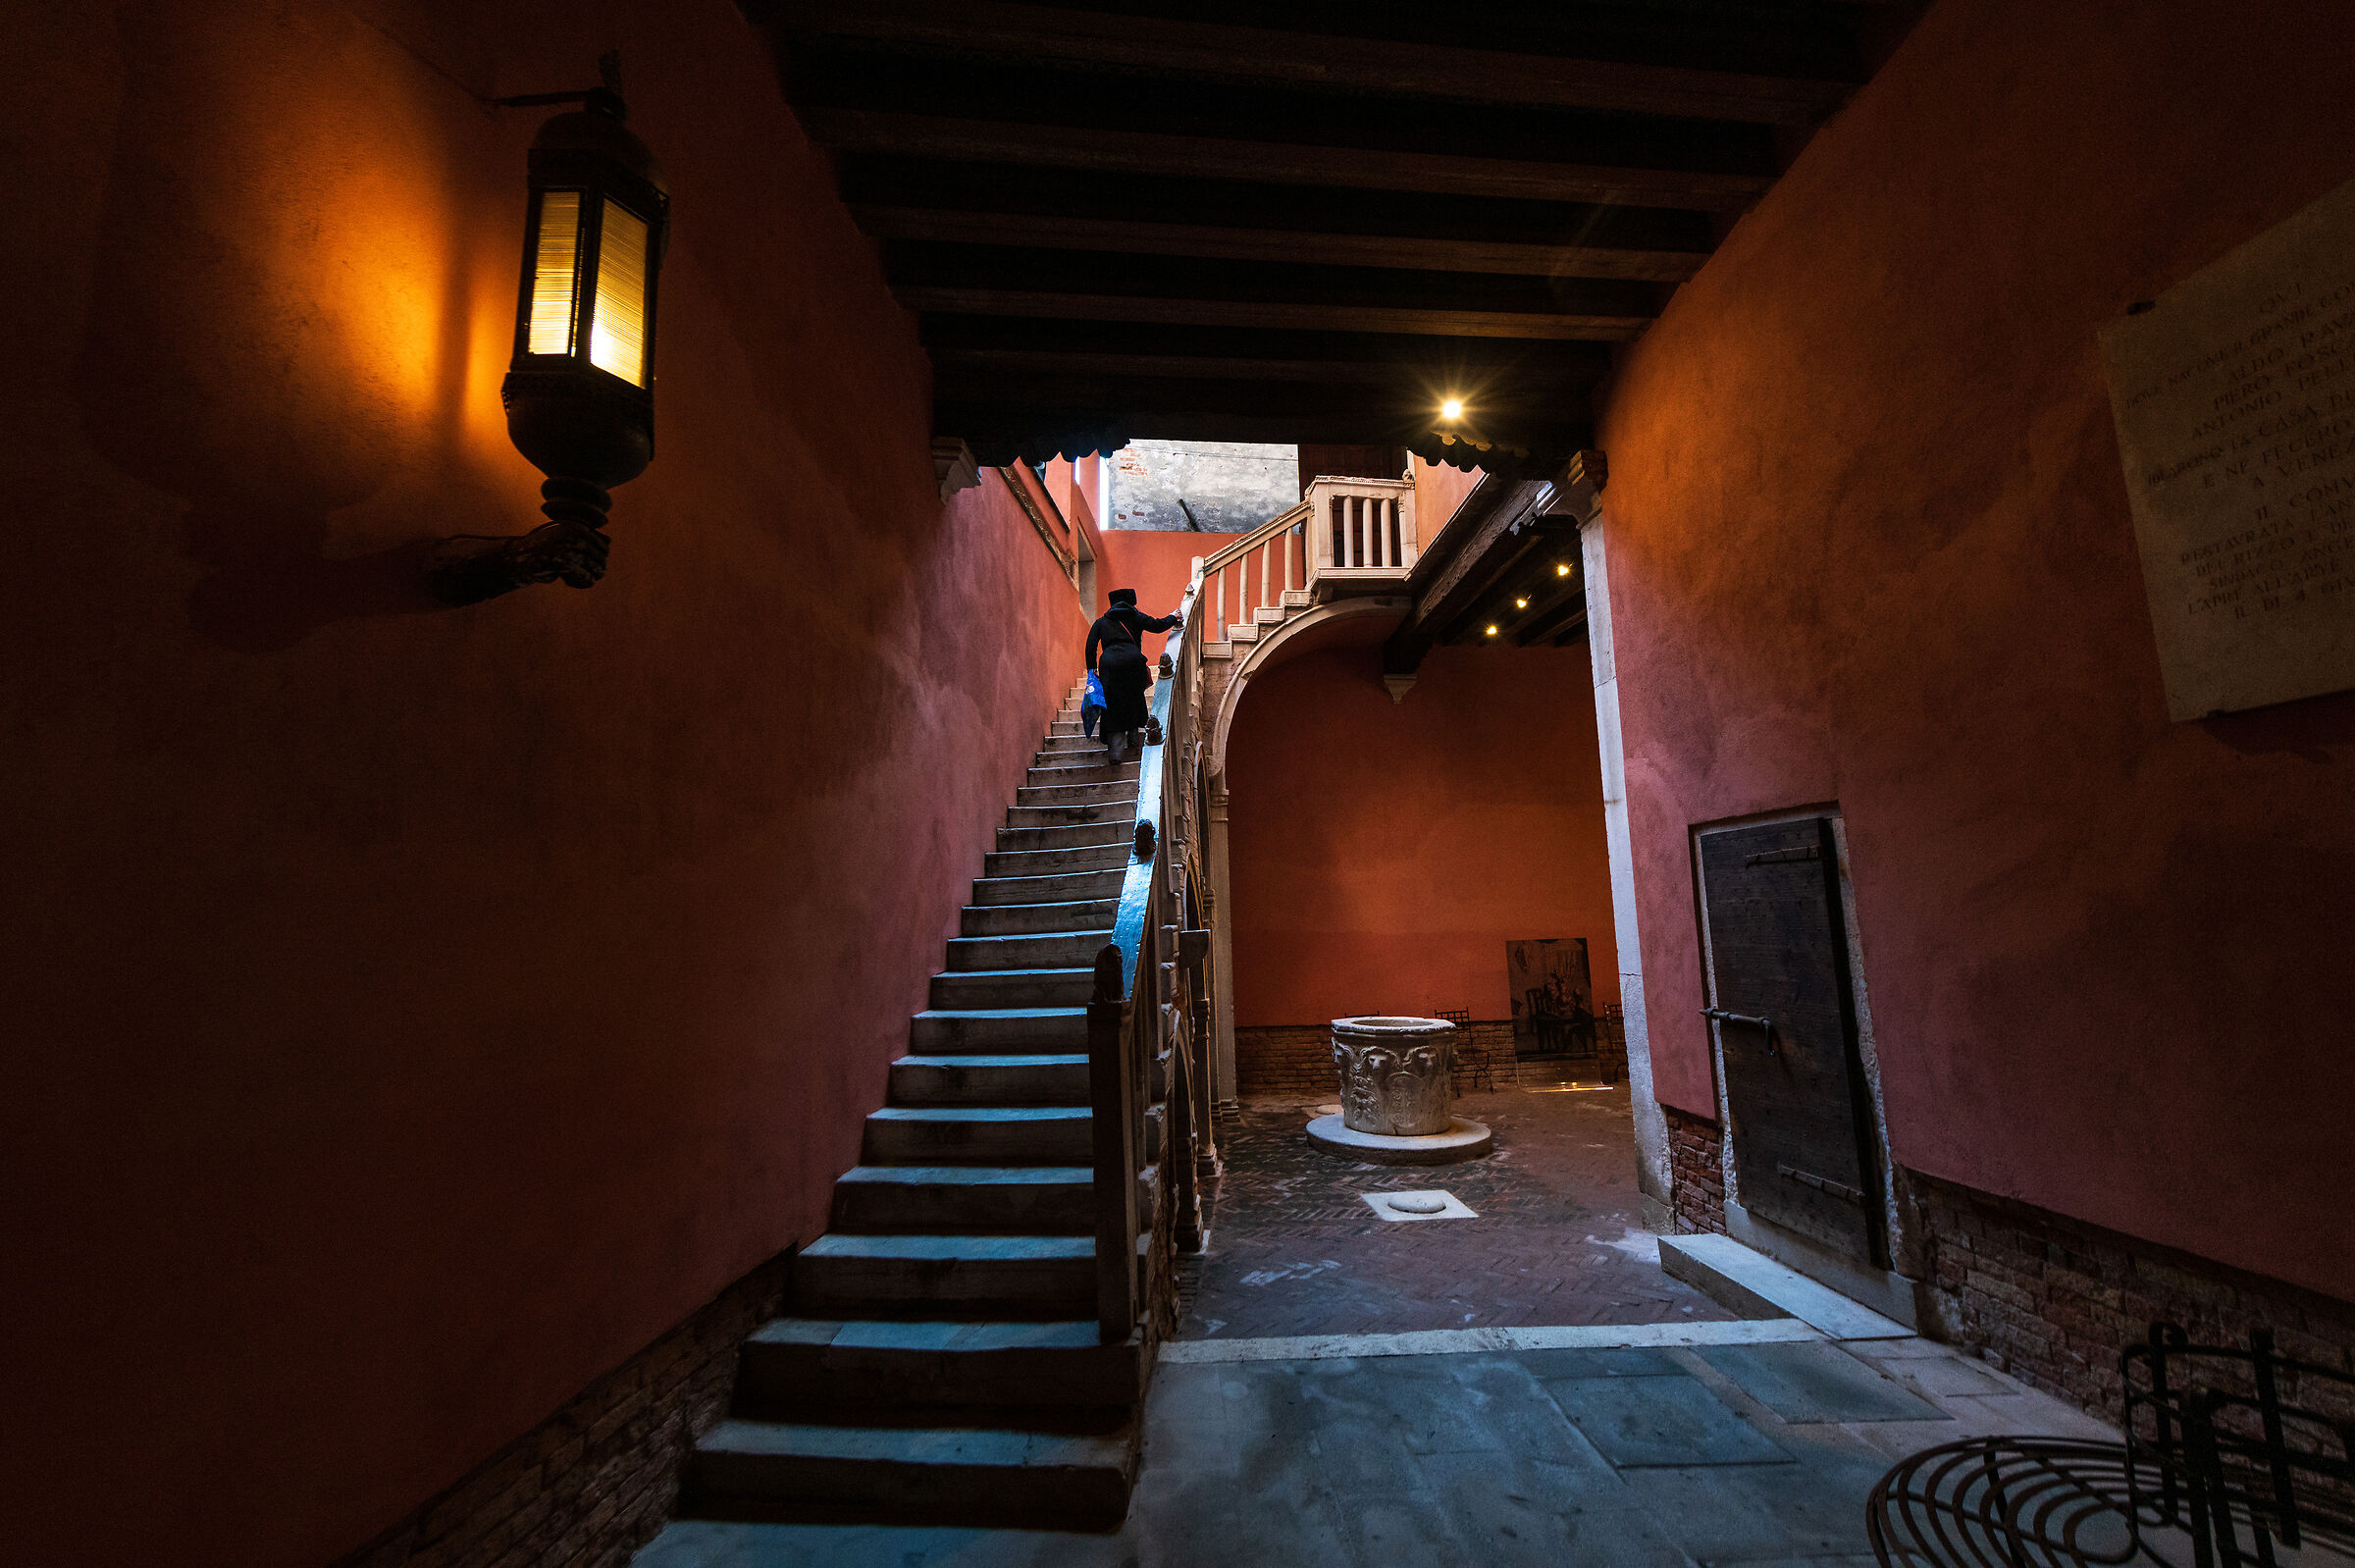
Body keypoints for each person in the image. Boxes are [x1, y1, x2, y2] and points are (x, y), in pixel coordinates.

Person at [1084, 589, 1179, 764]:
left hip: (1109, 664)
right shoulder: (1136, 616)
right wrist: (1173, 616)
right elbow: (1157, 626)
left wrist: (1092, 668)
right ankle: (1134, 740)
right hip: (1133, 661)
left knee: (1112, 705)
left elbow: (1090, 645)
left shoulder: (1102, 622)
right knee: (1133, 698)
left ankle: (1115, 753)